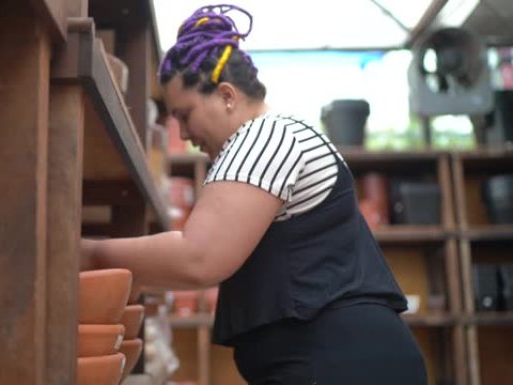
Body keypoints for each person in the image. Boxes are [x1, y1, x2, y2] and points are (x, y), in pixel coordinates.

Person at [81, 4, 427, 385]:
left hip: (348, 365)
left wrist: (89, 253)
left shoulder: (267, 137)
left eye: (185, 114)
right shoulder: (271, 139)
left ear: (227, 95)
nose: (185, 134)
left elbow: (199, 257)